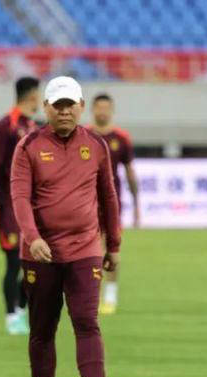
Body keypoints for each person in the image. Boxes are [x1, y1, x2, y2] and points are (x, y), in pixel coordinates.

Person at [10, 76, 122, 377]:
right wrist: (33, 237)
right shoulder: (28, 146)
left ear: (81, 107)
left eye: (70, 105)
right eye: (57, 105)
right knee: (43, 328)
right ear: (45, 107)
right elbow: (19, 197)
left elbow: (108, 196)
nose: (64, 111)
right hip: (40, 253)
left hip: (85, 249)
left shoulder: (96, 145)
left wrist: (113, 244)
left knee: (87, 322)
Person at [0, 77, 40, 335]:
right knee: (14, 262)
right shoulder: (5, 125)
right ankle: (11, 316)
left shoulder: (34, 126)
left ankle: (21, 309)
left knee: (36, 262)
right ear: (31, 95)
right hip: (9, 206)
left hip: (32, 205)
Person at [88, 93, 139, 314]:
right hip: (86, 203)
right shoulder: (84, 135)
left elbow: (129, 172)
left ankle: (110, 295)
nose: (102, 112)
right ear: (92, 109)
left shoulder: (121, 138)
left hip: (112, 204)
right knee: (90, 251)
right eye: (99, 107)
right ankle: (91, 294)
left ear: (112, 110)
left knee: (111, 248)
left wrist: (136, 204)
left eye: (106, 108)